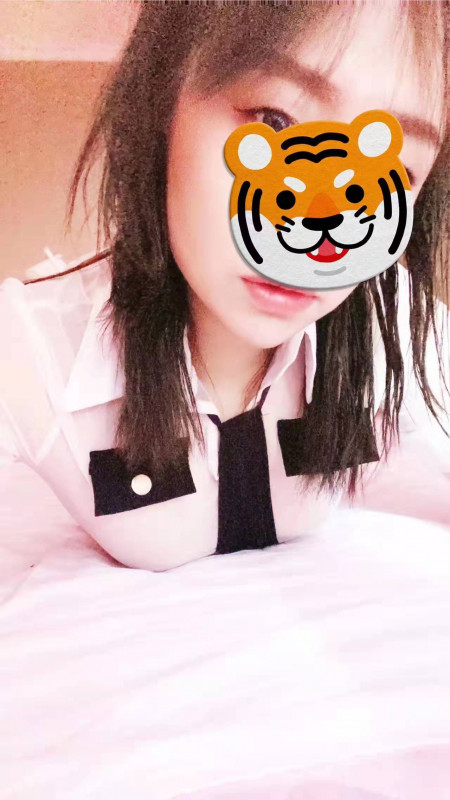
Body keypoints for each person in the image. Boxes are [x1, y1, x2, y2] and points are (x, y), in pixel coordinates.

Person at [0, 0, 449, 572]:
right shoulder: (30, 346)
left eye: (396, 169)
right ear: (162, 102)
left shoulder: (398, 326)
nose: (323, 230)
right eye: (274, 122)